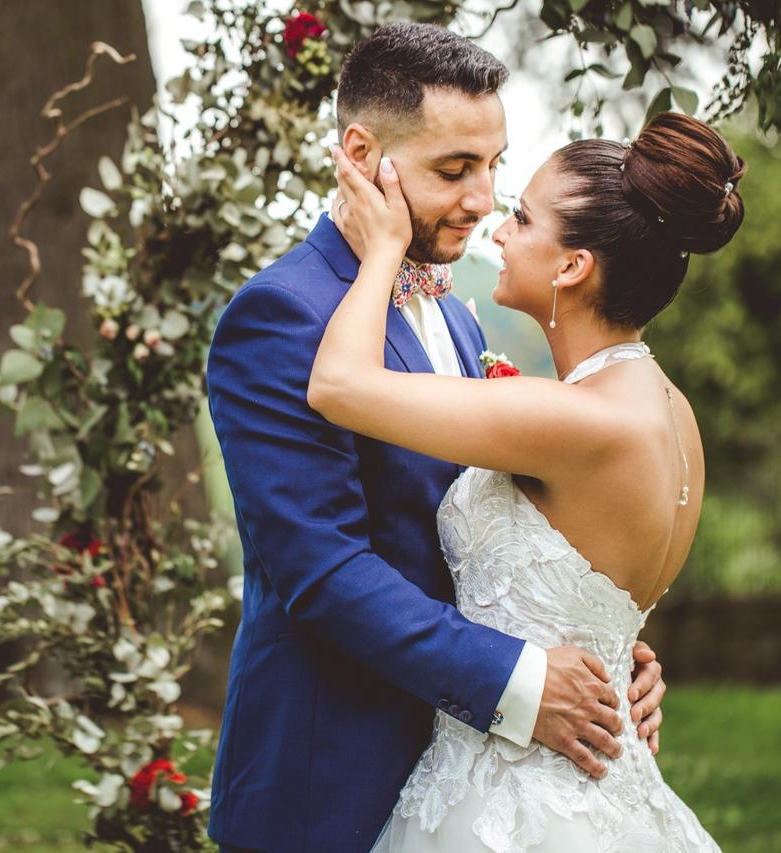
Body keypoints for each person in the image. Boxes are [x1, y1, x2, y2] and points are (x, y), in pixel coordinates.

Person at [205, 22, 669, 853]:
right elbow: (323, 570)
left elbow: (491, 534)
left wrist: (601, 645)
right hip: (332, 779)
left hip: (470, 781)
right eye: (454, 169)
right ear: (361, 151)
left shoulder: (457, 314)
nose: (483, 198)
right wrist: (526, 682)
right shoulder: (279, 317)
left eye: (493, 165)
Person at [309, 103, 745, 850]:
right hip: (609, 780)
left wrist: (383, 250)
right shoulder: (674, 414)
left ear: (573, 266)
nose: (498, 230)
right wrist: (624, 658)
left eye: (522, 218)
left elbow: (338, 386)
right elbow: (600, 592)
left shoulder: (574, 419)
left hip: (516, 804)